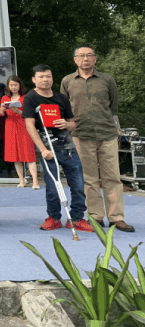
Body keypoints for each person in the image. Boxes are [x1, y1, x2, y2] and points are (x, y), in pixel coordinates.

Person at [60, 45, 134, 232]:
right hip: (81, 135)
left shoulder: (107, 80)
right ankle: (95, 216)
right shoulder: (67, 81)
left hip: (107, 134)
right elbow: (64, 108)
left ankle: (117, 217)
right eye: (81, 56)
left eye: (89, 55)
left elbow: (113, 105)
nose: (85, 59)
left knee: (112, 177)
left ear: (95, 58)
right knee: (89, 178)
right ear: (75, 59)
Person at [23, 65, 92, 232]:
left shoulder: (61, 98)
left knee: (77, 184)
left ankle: (76, 218)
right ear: (34, 79)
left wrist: (67, 124)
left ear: (52, 78)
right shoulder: (31, 98)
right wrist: (42, 149)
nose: (45, 79)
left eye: (48, 76)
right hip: (48, 150)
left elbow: (73, 123)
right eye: (41, 77)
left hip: (68, 148)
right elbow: (30, 125)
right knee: (53, 186)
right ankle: (53, 217)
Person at [0, 75, 39, 189]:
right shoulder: (4, 98)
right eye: (11, 85)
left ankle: (35, 181)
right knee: (14, 155)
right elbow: (1, 115)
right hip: (10, 126)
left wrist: (18, 111)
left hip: (24, 126)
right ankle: (21, 180)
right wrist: (2, 110)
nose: (13, 87)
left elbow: (30, 114)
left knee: (29, 154)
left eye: (15, 85)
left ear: (20, 85)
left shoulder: (26, 97)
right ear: (8, 86)